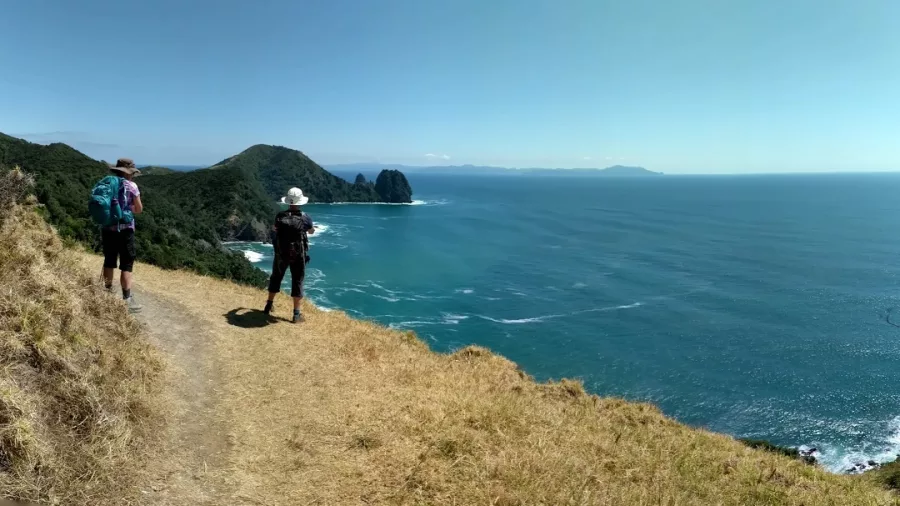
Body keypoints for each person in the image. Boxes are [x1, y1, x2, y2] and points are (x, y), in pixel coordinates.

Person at [264, 187, 315, 323]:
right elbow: (311, 232)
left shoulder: (280, 216)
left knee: (276, 277)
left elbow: (275, 228)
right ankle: (296, 315)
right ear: (299, 202)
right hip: (298, 255)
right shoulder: (305, 217)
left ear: (288, 201)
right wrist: (310, 228)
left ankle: (268, 305)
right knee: (297, 281)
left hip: (281, 253)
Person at [102, 158, 143, 312]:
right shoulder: (132, 186)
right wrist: (128, 207)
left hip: (107, 227)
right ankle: (127, 299)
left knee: (109, 260)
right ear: (129, 173)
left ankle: (107, 293)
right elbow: (139, 209)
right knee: (126, 264)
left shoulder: (107, 183)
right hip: (126, 230)